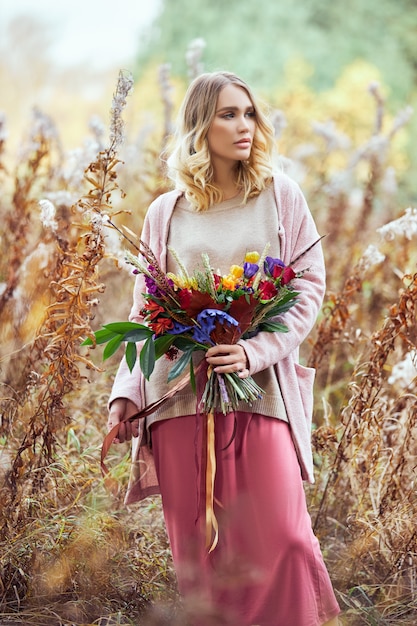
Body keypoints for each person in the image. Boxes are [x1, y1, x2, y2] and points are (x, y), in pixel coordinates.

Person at [107, 71, 341, 626]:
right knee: (203, 557)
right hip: (180, 397)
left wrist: (255, 351)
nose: (244, 126)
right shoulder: (165, 211)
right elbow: (145, 311)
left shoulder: (280, 196)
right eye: (227, 114)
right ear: (199, 125)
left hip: (260, 393)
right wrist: (126, 393)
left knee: (281, 537)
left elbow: (307, 288)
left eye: (249, 113)